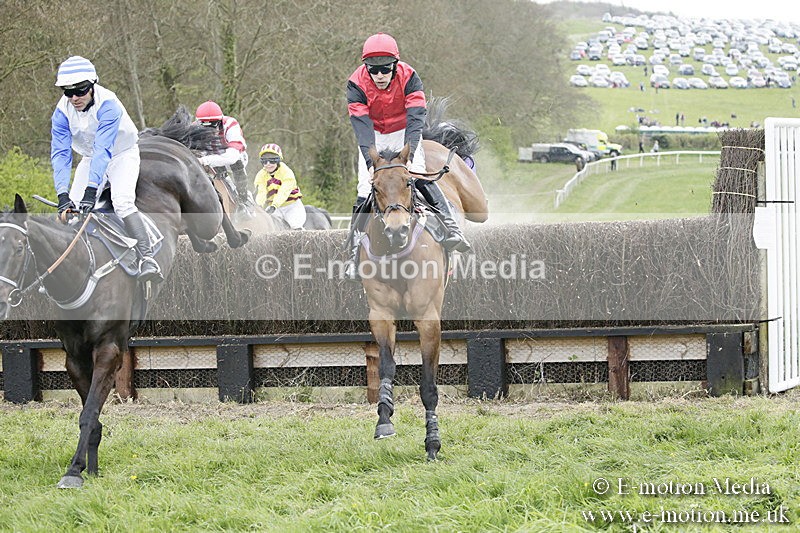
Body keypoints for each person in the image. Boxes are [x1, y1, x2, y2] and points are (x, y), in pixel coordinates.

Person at [344, 33, 470, 280]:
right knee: (364, 188)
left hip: (404, 131)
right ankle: (353, 253)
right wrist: (370, 163)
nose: (379, 75)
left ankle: (452, 229)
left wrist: (410, 155)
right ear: (365, 68)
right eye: (373, 70)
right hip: (373, 135)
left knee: (419, 176)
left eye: (385, 69)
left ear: (395, 65)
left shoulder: (410, 77)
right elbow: (361, 126)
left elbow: (415, 118)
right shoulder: (355, 83)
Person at [50, 56, 162, 283]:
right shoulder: (61, 112)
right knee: (71, 210)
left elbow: (104, 149)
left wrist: (91, 191)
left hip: (122, 154)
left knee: (122, 202)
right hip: (90, 157)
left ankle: (147, 257)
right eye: (67, 92)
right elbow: (61, 154)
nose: (74, 98)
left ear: (93, 85)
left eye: (80, 91)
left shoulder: (109, 104)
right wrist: (62, 194)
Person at [194, 100, 252, 209]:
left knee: (237, 166)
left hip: (233, 156)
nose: (209, 131)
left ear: (220, 121)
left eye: (212, 126)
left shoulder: (230, 125)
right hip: (210, 155)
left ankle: (244, 199)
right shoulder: (193, 128)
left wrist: (204, 161)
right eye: (204, 127)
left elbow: (232, 157)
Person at [253, 143, 306, 230]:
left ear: (278, 160)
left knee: (295, 226)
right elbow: (261, 192)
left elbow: (283, 192)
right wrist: (259, 206)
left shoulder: (287, 172)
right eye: (264, 161)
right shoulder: (261, 175)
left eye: (272, 160)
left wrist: (274, 205)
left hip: (291, 206)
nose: (268, 164)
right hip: (274, 208)